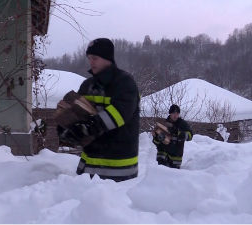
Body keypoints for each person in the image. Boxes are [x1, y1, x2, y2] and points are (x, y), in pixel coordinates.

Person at [58, 38, 140, 182]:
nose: (91, 62)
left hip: (119, 168)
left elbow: (119, 114)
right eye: (89, 58)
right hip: (88, 165)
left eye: (95, 58)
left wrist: (87, 128)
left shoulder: (125, 83)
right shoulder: (87, 85)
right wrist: (67, 130)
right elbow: (76, 115)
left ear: (108, 59)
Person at [152, 104, 193, 169]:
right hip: (162, 157)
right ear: (170, 113)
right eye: (173, 113)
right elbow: (155, 142)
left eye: (177, 113)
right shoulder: (163, 124)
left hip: (175, 159)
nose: (175, 115)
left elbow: (190, 136)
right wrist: (157, 138)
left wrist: (177, 132)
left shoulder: (182, 124)